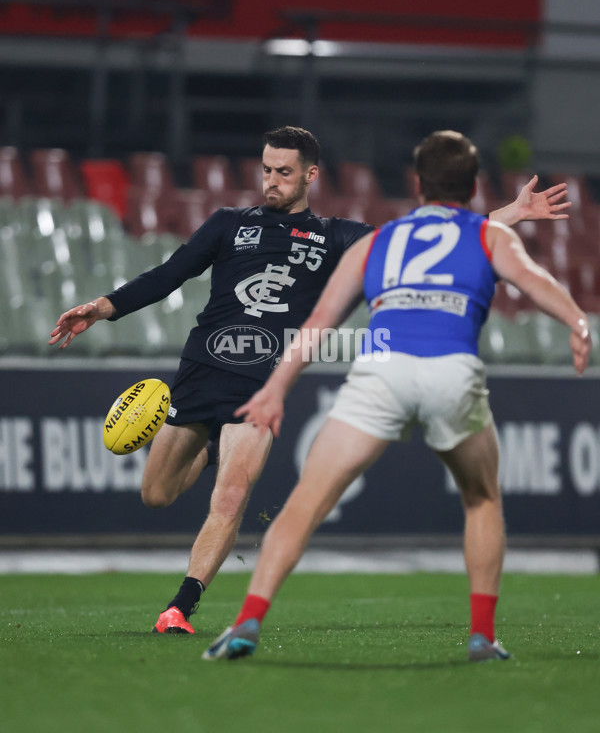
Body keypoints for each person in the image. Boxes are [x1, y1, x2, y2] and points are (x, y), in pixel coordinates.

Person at [48, 127, 572, 636]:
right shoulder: (229, 222)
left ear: (310, 175)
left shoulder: (336, 236)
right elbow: (168, 274)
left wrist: (512, 214)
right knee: (157, 493)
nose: (270, 180)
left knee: (231, 496)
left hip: (257, 385)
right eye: (266, 170)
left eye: (283, 172)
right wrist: (101, 308)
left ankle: (179, 607)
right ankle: (208, 450)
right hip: (200, 370)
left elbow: (424, 240)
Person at [203, 130, 591, 663]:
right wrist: (576, 322)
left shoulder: (378, 241)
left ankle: (247, 622)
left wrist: (274, 390)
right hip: (452, 371)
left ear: (416, 183)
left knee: (306, 501)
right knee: (481, 499)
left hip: (382, 372)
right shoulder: (486, 235)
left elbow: (318, 324)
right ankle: (482, 635)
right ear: (473, 185)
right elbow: (531, 279)